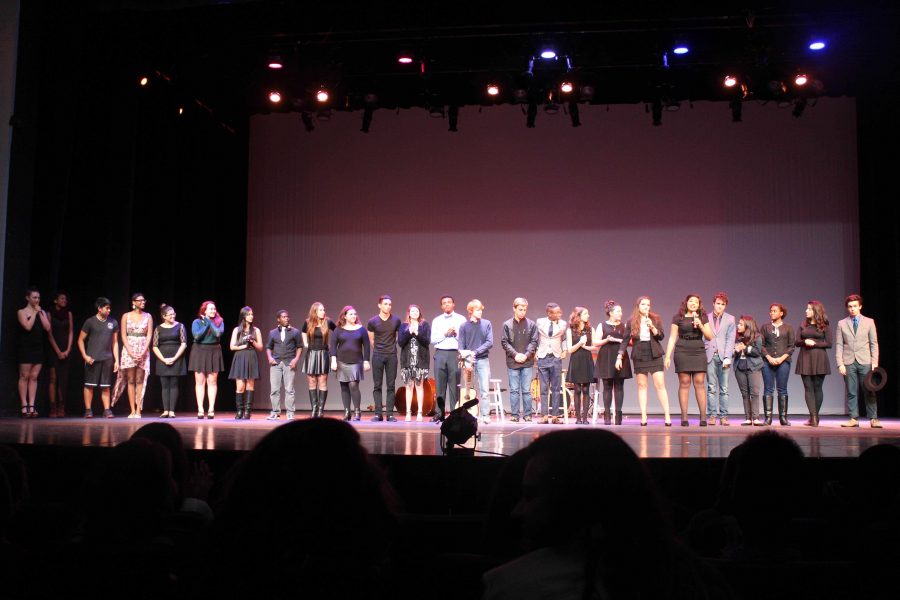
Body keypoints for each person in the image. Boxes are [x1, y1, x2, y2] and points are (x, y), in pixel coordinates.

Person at [616, 296, 672, 426]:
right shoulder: (631, 321)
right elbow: (625, 341)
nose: (646, 307)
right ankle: (643, 416)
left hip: (654, 353)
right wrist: (619, 356)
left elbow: (661, 336)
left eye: (648, 305)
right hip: (639, 353)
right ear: (638, 306)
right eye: (643, 304)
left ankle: (667, 416)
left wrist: (652, 327)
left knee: (660, 385)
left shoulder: (655, 319)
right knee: (642, 385)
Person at [665, 294, 713, 426]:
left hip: (698, 349)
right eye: (691, 301)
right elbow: (672, 337)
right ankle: (684, 418)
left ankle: (703, 418)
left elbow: (709, 336)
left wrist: (701, 326)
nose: (693, 303)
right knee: (684, 382)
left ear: (699, 305)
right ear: (686, 303)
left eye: (696, 302)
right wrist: (667, 356)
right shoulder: (678, 318)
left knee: (699, 382)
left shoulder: (703, 317)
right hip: (682, 350)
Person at [835, 294, 881, 428]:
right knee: (851, 391)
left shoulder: (869, 322)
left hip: (865, 361)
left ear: (860, 306)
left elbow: (874, 343)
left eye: (855, 306)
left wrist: (874, 362)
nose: (852, 309)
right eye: (850, 307)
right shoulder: (842, 323)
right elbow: (839, 345)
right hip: (848, 361)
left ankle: (873, 418)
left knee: (869, 390)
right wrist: (840, 364)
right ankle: (853, 418)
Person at [77, 297, 120, 418]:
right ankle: (88, 410)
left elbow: (115, 343)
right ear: (99, 308)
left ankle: (107, 410)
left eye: (110, 308)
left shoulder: (113, 322)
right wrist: (85, 356)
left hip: (107, 359)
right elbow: (80, 340)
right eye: (107, 308)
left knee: (105, 386)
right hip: (92, 359)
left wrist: (117, 360)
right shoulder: (90, 322)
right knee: (89, 385)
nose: (109, 310)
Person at [115, 293, 153, 419]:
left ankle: (138, 410)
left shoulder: (148, 316)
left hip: (143, 349)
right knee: (130, 380)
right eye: (140, 300)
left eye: (144, 300)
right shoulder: (126, 316)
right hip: (129, 349)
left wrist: (143, 351)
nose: (143, 302)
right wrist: (131, 352)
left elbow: (149, 335)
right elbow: (123, 336)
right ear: (134, 302)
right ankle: (132, 410)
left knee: (140, 380)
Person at [500, 298, 538, 423]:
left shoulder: (531, 324)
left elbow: (534, 341)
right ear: (514, 309)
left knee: (526, 390)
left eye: (525, 310)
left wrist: (526, 355)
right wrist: (516, 355)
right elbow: (504, 342)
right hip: (513, 361)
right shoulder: (507, 324)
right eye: (520, 309)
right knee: (514, 390)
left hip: (527, 361)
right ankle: (515, 415)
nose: (522, 312)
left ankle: (528, 415)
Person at [330, 306, 371, 421]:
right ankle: (347, 412)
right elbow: (333, 345)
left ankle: (357, 411)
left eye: (355, 314)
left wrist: (366, 361)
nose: (354, 316)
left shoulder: (361, 329)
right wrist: (333, 360)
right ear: (344, 316)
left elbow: (367, 346)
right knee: (344, 387)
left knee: (353, 385)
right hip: (342, 361)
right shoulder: (338, 329)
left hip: (356, 361)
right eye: (351, 314)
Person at [795, 301, 832, 427]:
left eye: (809, 309)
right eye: (807, 309)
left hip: (819, 358)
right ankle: (813, 417)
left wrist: (815, 343)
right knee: (808, 387)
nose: (806, 311)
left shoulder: (824, 325)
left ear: (816, 311)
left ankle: (814, 416)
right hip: (805, 357)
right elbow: (796, 342)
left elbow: (829, 343)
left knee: (817, 387)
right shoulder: (803, 324)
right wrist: (805, 341)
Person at [595, 300, 631, 425]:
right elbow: (595, 342)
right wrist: (606, 340)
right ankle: (607, 416)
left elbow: (628, 342)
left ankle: (618, 416)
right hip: (606, 356)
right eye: (618, 311)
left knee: (619, 386)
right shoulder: (602, 325)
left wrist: (617, 339)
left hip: (621, 356)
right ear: (611, 313)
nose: (621, 313)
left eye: (621, 311)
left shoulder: (624, 326)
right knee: (607, 386)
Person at [430, 295, 467, 421]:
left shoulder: (461, 319)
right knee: (440, 385)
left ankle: (454, 413)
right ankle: (439, 413)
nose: (446, 304)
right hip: (440, 352)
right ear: (441, 306)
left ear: (453, 304)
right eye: (444, 303)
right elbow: (433, 339)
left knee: (454, 385)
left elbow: (464, 339)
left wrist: (456, 334)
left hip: (454, 353)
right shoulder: (437, 320)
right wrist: (445, 334)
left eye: (449, 302)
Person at [16, 287, 51, 417]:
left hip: (38, 348)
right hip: (25, 347)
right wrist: (35, 313)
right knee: (24, 376)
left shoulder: (42, 312)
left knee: (34, 377)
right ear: (28, 298)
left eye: (38, 298)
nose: (37, 300)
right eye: (34, 297)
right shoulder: (22, 312)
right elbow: (27, 326)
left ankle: (32, 404)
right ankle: (24, 405)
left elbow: (47, 328)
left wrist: (40, 313)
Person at [459, 299, 494, 425]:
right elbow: (461, 345)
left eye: (481, 310)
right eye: (477, 310)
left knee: (484, 388)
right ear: (470, 311)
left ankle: (485, 415)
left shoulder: (486, 324)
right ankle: (468, 415)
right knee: (468, 389)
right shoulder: (464, 326)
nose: (480, 312)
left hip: (482, 359)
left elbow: (489, 342)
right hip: (468, 361)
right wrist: (467, 359)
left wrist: (475, 352)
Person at [367, 295, 401, 422]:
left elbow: (398, 336)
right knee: (377, 385)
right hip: (377, 355)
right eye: (385, 304)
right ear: (379, 305)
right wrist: (378, 349)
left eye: (390, 304)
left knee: (391, 386)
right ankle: (378, 414)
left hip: (391, 355)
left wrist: (391, 346)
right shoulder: (372, 321)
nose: (388, 306)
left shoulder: (396, 320)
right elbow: (371, 339)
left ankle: (390, 414)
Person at [189, 300, 225, 419]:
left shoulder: (220, 321)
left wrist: (210, 322)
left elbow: (218, 334)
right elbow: (197, 336)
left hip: (214, 351)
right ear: (204, 311)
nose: (213, 311)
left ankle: (211, 409)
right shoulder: (197, 322)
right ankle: (200, 409)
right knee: (200, 382)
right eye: (210, 309)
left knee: (212, 381)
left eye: (214, 309)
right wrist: (206, 323)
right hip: (199, 351)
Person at [760, 303, 795, 426]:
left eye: (774, 311)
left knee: (782, 389)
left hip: (783, 361)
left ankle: (783, 418)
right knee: (768, 388)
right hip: (767, 361)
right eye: (771, 311)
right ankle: (768, 418)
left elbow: (791, 346)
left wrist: (782, 358)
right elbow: (761, 345)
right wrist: (768, 357)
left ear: (781, 313)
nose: (772, 313)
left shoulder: (788, 327)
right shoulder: (765, 327)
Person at [151, 304, 188, 418]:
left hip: (176, 358)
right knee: (164, 385)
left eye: (174, 314)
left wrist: (174, 358)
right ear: (164, 316)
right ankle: (165, 410)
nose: (173, 316)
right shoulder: (158, 328)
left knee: (174, 384)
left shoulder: (180, 326)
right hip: (163, 359)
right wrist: (163, 359)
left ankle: (172, 410)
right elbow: (155, 346)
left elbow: (184, 343)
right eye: (170, 314)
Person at [266, 309, 303, 420]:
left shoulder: (295, 332)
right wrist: (269, 358)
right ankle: (275, 412)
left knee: (289, 389)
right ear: (278, 319)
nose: (286, 318)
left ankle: (290, 412)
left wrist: (296, 360)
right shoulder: (272, 333)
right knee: (274, 389)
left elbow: (300, 346)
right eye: (284, 317)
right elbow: (268, 347)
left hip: (289, 363)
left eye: (287, 317)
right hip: (276, 363)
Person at [705, 292, 736, 426]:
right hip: (710, 355)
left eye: (723, 304)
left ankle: (723, 416)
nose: (720, 306)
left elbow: (730, 339)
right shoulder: (706, 318)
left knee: (724, 388)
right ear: (713, 304)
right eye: (718, 303)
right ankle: (712, 415)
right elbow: (703, 336)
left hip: (724, 357)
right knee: (711, 387)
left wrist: (728, 357)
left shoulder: (730, 319)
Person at [301, 302, 335, 419]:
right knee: (312, 382)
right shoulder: (307, 322)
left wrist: (332, 345)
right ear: (314, 311)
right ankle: (314, 408)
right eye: (321, 310)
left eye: (324, 309)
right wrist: (305, 343)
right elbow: (303, 332)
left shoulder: (328, 321)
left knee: (322, 382)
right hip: (311, 354)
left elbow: (337, 332)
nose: (323, 312)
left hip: (323, 354)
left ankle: (320, 409)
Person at [229, 306, 263, 420]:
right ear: (243, 316)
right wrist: (243, 345)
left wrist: (252, 341)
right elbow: (232, 347)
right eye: (249, 314)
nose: (251, 316)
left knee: (250, 385)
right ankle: (239, 411)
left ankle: (248, 411)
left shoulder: (256, 330)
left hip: (251, 356)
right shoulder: (237, 330)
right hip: (240, 357)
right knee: (240, 386)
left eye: (252, 314)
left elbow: (261, 347)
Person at [535, 303, 567, 424]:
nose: (560, 314)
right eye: (557, 312)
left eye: (560, 312)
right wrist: (535, 351)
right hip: (543, 357)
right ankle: (544, 416)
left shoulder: (562, 324)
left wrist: (565, 350)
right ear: (549, 313)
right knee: (543, 388)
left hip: (556, 357)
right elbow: (536, 338)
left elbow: (563, 338)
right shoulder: (539, 322)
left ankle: (555, 416)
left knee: (555, 388)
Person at [398, 305, 431, 421]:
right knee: (409, 386)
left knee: (419, 386)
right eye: (413, 311)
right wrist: (409, 332)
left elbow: (427, 341)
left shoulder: (424, 325)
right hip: (407, 361)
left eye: (417, 310)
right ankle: (408, 412)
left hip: (420, 361)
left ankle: (420, 412)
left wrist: (417, 333)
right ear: (409, 313)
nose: (415, 312)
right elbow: (400, 342)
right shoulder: (403, 326)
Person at [565, 307, 596, 425]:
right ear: (578, 316)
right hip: (576, 360)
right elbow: (570, 350)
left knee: (586, 389)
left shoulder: (590, 329)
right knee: (577, 389)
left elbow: (595, 346)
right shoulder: (570, 331)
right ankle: (578, 418)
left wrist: (586, 347)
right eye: (586, 313)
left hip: (587, 359)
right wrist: (580, 343)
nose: (588, 315)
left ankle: (585, 418)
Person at [732, 315, 764, 426]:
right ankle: (748, 418)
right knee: (745, 393)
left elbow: (757, 351)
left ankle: (755, 418)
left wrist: (744, 348)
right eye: (738, 324)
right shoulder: (737, 337)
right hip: (739, 367)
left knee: (754, 393)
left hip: (753, 367)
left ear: (747, 325)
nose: (738, 326)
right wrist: (735, 351)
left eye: (741, 324)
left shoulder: (757, 336)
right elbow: (733, 352)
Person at [47, 291, 73, 418]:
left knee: (63, 379)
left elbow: (71, 332)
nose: (64, 300)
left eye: (65, 299)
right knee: (53, 378)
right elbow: (49, 333)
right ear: (55, 300)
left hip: (65, 349)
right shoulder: (50, 313)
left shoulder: (68, 314)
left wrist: (67, 350)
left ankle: (61, 406)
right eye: (62, 298)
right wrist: (57, 351)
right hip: (54, 349)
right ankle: (53, 407)